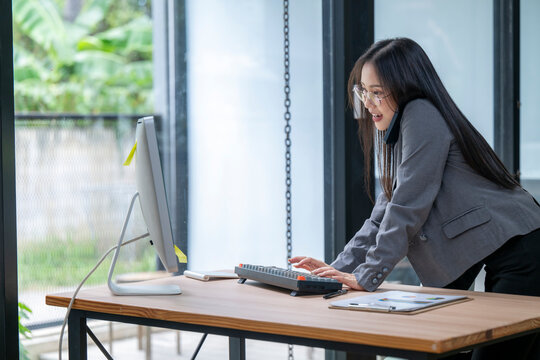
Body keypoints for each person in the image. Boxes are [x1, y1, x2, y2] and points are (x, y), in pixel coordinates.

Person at [289, 38, 540, 360]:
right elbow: (385, 211)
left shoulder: (420, 113)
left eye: (377, 92)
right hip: (501, 252)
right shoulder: (406, 128)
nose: (368, 102)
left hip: (524, 250)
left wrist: (367, 276)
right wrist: (333, 274)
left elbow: (408, 204)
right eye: (363, 91)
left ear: (405, 87)